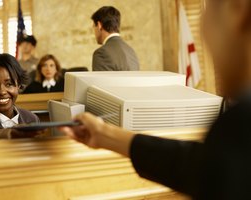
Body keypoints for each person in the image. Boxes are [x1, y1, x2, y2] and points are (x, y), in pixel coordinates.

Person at [60, 0, 251, 199]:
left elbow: (196, 168)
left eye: (208, 11)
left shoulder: (239, 123)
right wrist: (104, 133)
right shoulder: (130, 51)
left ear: (238, 11)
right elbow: (192, 164)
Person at [91, 6, 140, 71]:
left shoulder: (101, 53)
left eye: (94, 26)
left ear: (99, 25)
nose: (94, 32)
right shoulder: (131, 51)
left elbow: (101, 81)